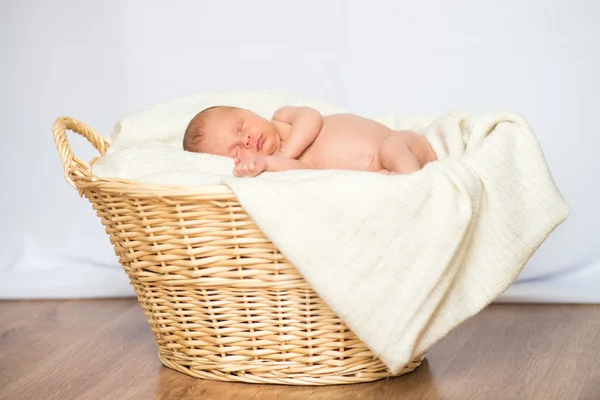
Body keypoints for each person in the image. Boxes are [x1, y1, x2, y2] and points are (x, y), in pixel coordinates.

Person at [183, 105, 437, 177]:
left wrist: (285, 153)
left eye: (241, 127)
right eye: (236, 149)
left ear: (251, 112)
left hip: (399, 145)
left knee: (393, 149)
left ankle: (421, 188)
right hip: (382, 173)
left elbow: (311, 118)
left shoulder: (283, 119)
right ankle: (406, 188)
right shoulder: (283, 166)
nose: (247, 140)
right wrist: (266, 164)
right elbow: (301, 171)